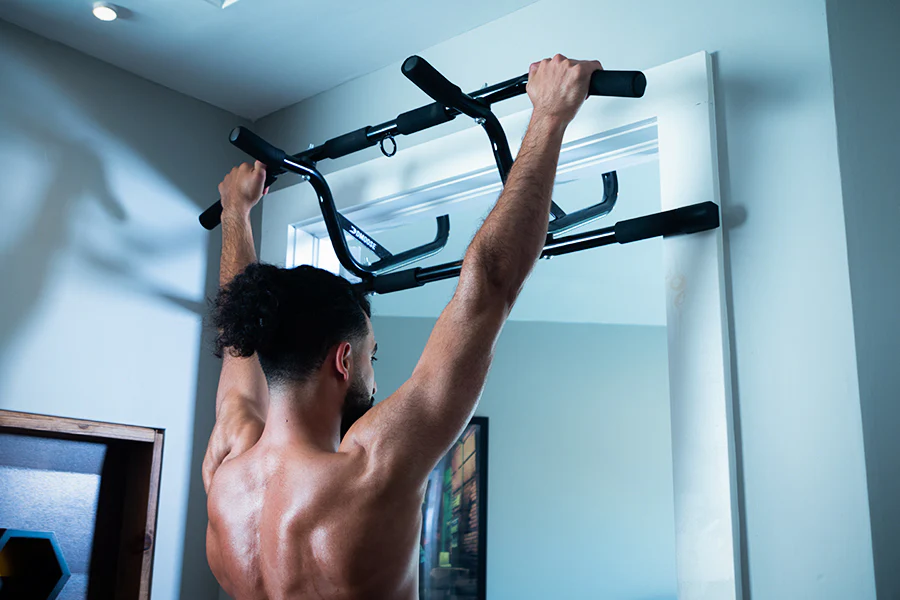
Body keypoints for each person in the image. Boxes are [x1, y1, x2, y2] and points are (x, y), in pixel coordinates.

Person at [203, 54, 603, 599]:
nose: (373, 373)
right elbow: (485, 286)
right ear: (344, 359)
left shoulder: (227, 469)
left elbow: (237, 343)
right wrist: (550, 116)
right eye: (373, 354)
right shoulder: (369, 468)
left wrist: (235, 215)